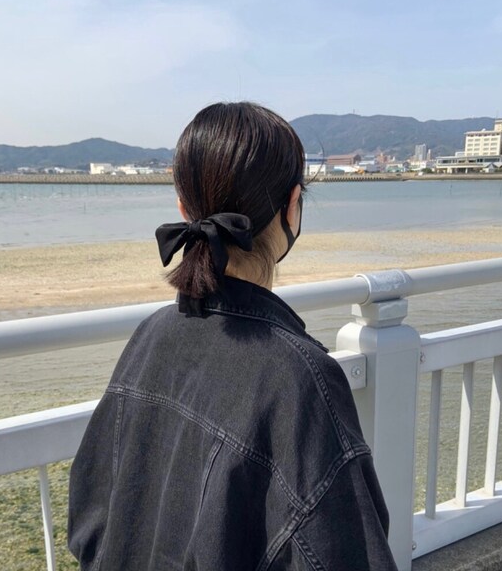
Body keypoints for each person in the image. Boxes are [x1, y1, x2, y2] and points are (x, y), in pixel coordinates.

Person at [68, 102, 397, 570]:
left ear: (183, 208)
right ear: (292, 206)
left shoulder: (150, 336)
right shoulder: (301, 380)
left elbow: (88, 517)